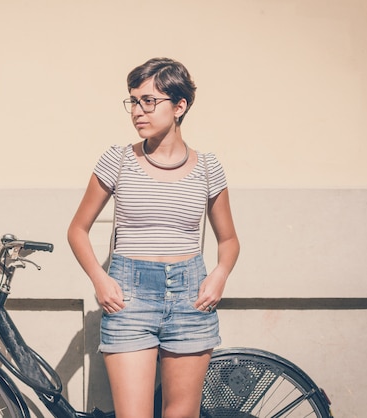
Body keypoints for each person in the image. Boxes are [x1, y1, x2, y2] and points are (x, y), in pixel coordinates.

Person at [67, 57, 240, 418]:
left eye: (149, 101)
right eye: (133, 100)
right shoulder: (117, 161)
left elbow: (229, 240)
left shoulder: (208, 167)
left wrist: (219, 274)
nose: (137, 111)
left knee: (181, 414)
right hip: (129, 297)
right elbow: (77, 230)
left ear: (180, 106)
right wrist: (101, 280)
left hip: (191, 298)